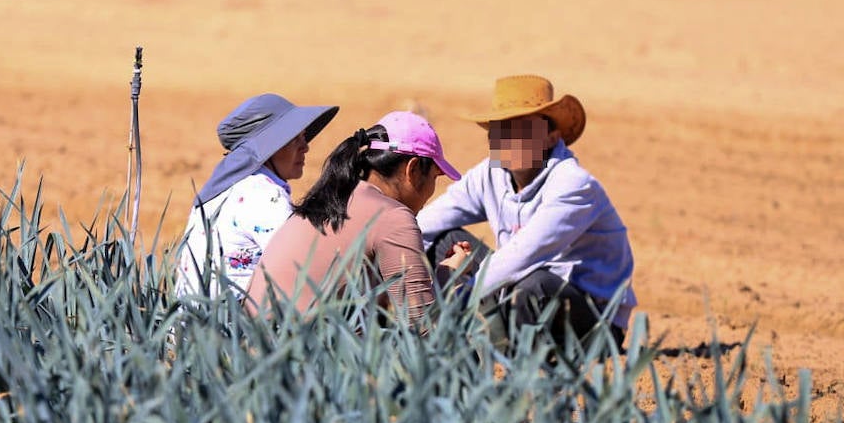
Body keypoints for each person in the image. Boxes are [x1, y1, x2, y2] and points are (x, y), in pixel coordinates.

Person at [417, 75, 636, 348]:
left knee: (533, 285)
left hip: (593, 322)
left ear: (551, 136)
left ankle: (519, 367)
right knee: (440, 242)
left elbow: (524, 254)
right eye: (501, 130)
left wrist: (459, 301)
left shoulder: (574, 185)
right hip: (517, 291)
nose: (510, 140)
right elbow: (426, 223)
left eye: (523, 129)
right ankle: (458, 339)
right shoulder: (489, 173)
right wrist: (372, 253)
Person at [247, 111, 471, 328]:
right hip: (303, 352)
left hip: (256, 347)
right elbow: (423, 328)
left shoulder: (335, 197)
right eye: (434, 177)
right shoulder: (393, 216)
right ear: (412, 169)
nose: (433, 189)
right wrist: (448, 276)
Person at [175, 93, 338, 298]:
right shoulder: (264, 196)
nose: (305, 147)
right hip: (231, 327)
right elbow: (304, 268)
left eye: (303, 137)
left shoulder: (225, 188)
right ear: (269, 148)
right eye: (294, 139)